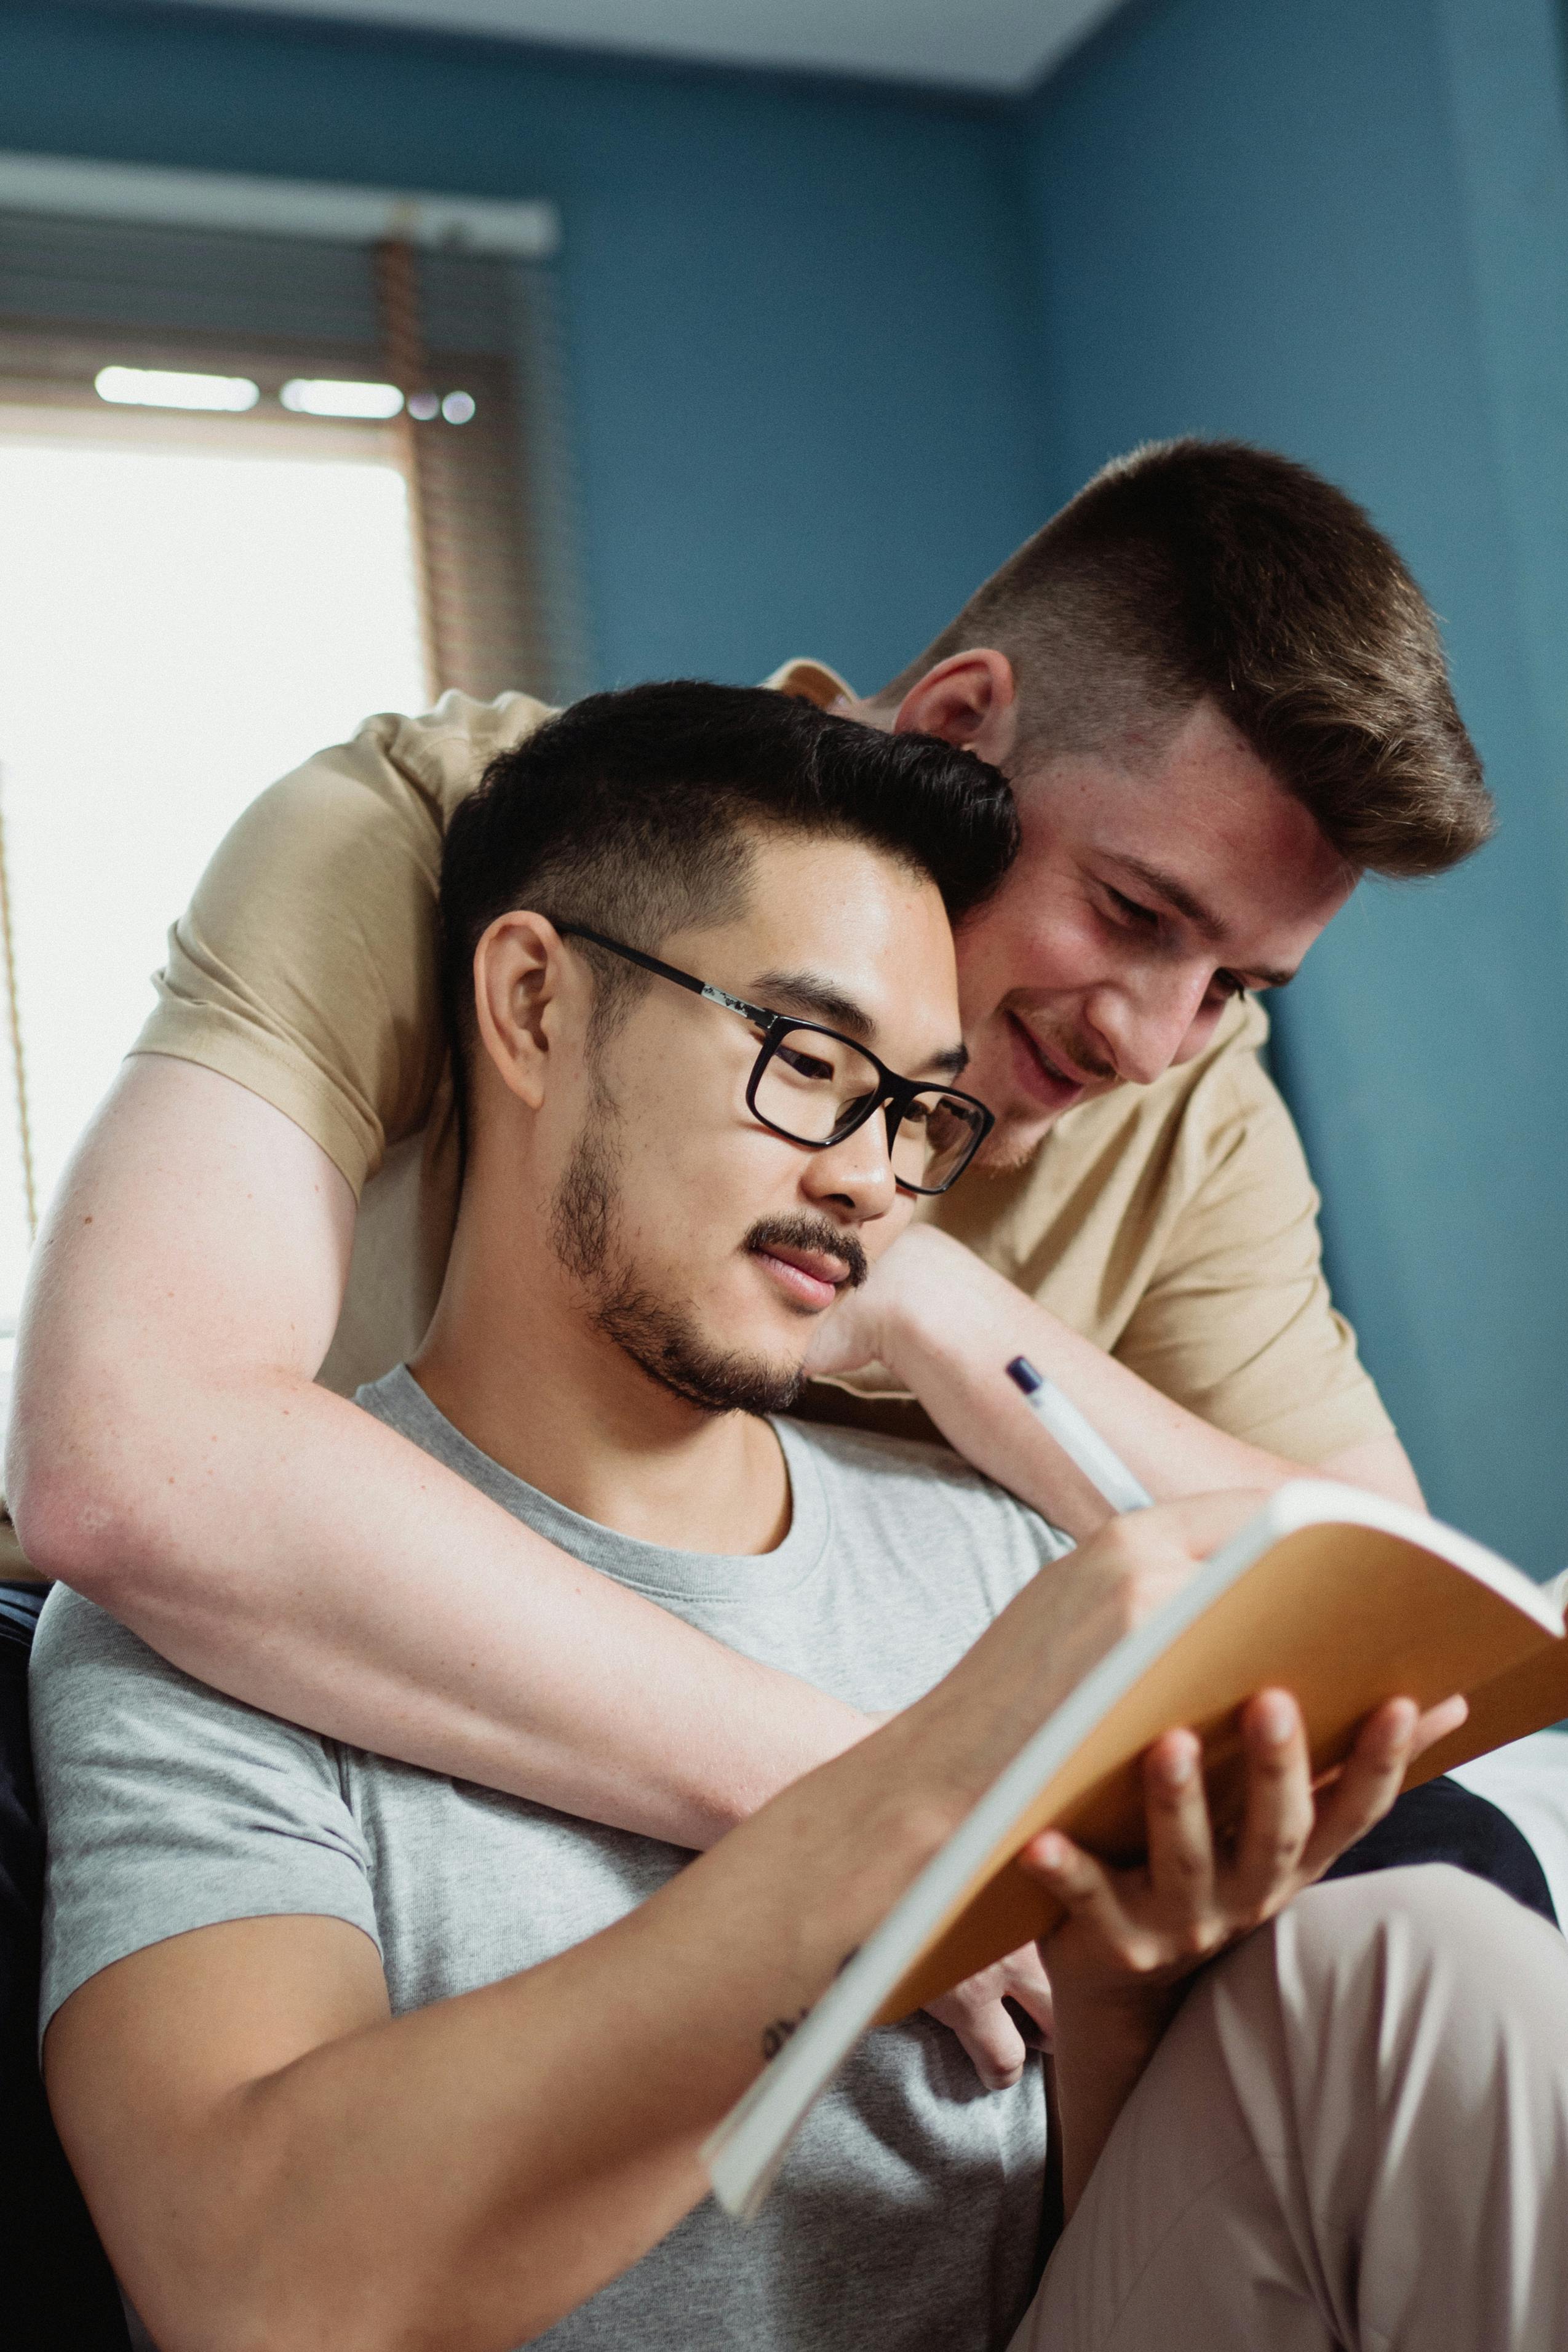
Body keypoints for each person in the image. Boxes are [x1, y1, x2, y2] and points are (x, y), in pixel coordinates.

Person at [30, 684, 1567, 2352]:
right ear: (535, 1005)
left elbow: (1065, 2252)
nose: (870, 1181)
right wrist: (912, 1790)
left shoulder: (991, 1557)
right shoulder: (204, 1626)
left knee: (1417, 1961)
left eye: (914, 1111)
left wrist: (1124, 1995)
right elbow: (251, 2285)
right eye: (807, 1058)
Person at [9, 438, 1495, 1885]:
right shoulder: (444, 841)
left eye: (1239, 983)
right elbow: (128, 1450)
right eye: (1131, 912)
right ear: (961, 720)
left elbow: (1390, 1628)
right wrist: (868, 1815)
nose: (1156, 1040)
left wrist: (943, 1310)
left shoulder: (1183, 1094)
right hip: (306, 1748)